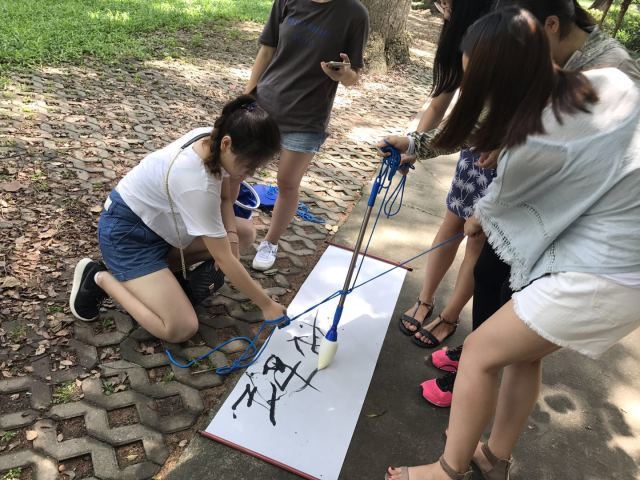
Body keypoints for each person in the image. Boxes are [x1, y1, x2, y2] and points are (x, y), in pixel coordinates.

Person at [386, 7, 640, 480]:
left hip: (604, 270)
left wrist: (481, 216)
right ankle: (493, 459)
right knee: (522, 355)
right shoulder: (596, 82)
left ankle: (448, 470)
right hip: (616, 264)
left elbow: (503, 199)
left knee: (480, 352)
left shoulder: (554, 117)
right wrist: (419, 146)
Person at [69, 95, 287, 343]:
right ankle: (100, 278)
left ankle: (154, 281)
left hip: (163, 228)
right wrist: (266, 305)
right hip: (126, 237)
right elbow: (223, 258)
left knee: (244, 233)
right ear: (227, 143)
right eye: (249, 165)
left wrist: (233, 242)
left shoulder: (214, 139)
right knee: (180, 328)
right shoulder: (197, 182)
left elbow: (226, 199)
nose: (251, 173)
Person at [392, 0, 494, 352]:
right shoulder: (456, 38)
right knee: (452, 223)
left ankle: (449, 317)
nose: (441, 7)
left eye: (448, 2)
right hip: (472, 148)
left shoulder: (499, 40)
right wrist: (413, 146)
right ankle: (425, 299)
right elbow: (439, 102)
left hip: (506, 156)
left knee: (477, 238)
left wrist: (420, 146)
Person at [245, 0, 369, 271]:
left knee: (287, 183)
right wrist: (246, 96)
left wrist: (344, 74)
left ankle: (270, 242)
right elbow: (266, 50)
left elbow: (353, 78)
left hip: (308, 116)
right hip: (265, 104)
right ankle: (227, 229)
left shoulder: (355, 13)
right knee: (236, 170)